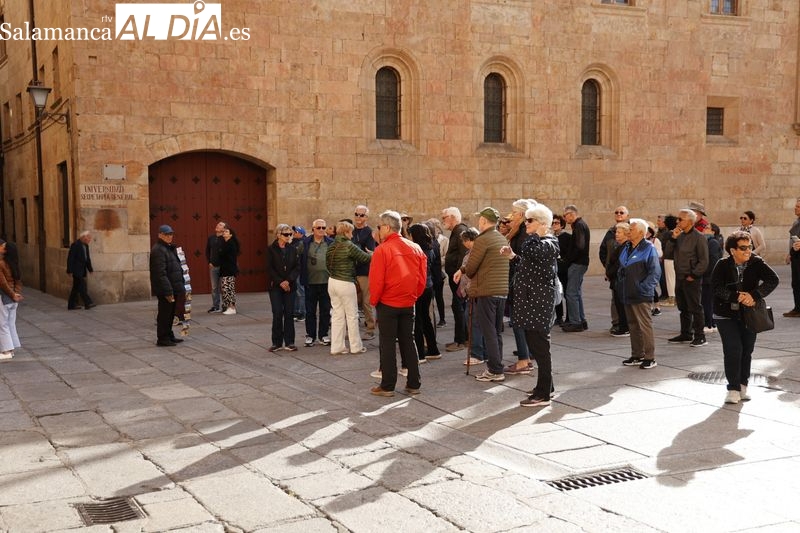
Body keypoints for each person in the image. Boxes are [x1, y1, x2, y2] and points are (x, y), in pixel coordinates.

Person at [500, 203, 559, 407]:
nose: (526, 224)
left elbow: (531, 250)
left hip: (538, 304)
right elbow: (527, 264)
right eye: (526, 220)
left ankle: (543, 394)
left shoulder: (548, 243)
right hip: (529, 302)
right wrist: (512, 257)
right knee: (537, 346)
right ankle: (546, 386)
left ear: (542, 223)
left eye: (530, 220)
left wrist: (537, 233)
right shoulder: (537, 243)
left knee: (541, 349)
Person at [712, 231, 779, 404]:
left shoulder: (756, 262)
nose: (748, 250)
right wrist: (737, 297)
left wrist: (754, 295)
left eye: (749, 247)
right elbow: (716, 288)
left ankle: (743, 385)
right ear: (732, 250)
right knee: (733, 349)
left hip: (750, 315)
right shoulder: (722, 264)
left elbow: (773, 279)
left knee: (747, 350)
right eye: (743, 248)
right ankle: (733, 389)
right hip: (725, 314)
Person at [369, 210, 426, 397]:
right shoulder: (415, 247)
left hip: (388, 302)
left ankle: (387, 385)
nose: (378, 230)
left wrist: (374, 301)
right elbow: (421, 280)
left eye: (379, 227)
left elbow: (377, 280)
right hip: (408, 301)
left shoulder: (382, 250)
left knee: (387, 343)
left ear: (386, 227)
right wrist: (413, 296)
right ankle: (414, 383)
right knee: (408, 341)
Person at [454, 207, 509, 382]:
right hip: (501, 291)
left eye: (480, 219)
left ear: (484, 221)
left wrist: (464, 270)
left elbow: (471, 268)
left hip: (486, 291)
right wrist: (462, 269)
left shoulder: (482, 239)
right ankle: (497, 365)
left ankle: (495, 370)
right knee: (496, 331)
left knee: (489, 332)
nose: (478, 222)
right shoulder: (501, 238)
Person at [618, 219, 661, 369]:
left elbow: (655, 272)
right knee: (633, 325)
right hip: (627, 291)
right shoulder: (627, 247)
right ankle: (637, 354)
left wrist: (643, 288)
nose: (629, 232)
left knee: (644, 325)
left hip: (641, 293)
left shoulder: (648, 248)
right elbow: (622, 266)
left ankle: (650, 357)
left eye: (632, 229)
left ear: (641, 233)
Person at [327, 220, 372, 355]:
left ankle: (337, 347)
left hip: (332, 282)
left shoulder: (331, 245)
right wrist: (372, 254)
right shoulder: (348, 245)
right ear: (346, 232)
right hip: (345, 282)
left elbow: (327, 265)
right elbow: (365, 258)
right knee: (352, 315)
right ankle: (356, 346)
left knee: (337, 315)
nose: (352, 235)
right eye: (351, 232)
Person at [668, 208, 710, 347]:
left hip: (692, 278)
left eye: (681, 219)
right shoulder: (678, 235)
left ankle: (700, 336)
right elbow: (667, 254)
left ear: (690, 221)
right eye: (677, 219)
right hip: (679, 276)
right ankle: (685, 333)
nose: (677, 221)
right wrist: (673, 238)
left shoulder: (699, 237)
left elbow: (704, 260)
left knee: (695, 307)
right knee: (683, 307)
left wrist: (694, 275)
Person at [504, 199, 536, 375]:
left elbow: (524, 261)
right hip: (519, 281)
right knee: (519, 321)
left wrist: (511, 256)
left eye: (515, 213)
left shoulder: (525, 233)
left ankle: (524, 360)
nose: (511, 217)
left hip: (522, 283)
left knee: (519, 321)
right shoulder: (519, 231)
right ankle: (526, 357)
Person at [149, 225, 187, 347]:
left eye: (171, 234)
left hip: (173, 286)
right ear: (160, 235)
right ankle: (162, 338)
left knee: (170, 313)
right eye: (166, 234)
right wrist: (167, 291)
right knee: (164, 314)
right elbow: (160, 273)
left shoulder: (168, 248)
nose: (169, 236)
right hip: (166, 289)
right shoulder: (158, 250)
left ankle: (169, 334)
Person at [408, 223, 441, 363]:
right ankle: (433, 350)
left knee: (418, 320)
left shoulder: (416, 250)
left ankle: (420, 353)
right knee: (425, 318)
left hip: (419, 286)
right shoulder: (431, 248)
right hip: (429, 286)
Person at [267, 224, 300, 352]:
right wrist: (280, 282)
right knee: (277, 313)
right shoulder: (271, 249)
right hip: (275, 286)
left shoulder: (293, 249)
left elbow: (297, 267)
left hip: (290, 286)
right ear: (278, 235)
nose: (289, 236)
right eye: (286, 234)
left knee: (289, 313)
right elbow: (269, 268)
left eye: (290, 234)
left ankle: (290, 342)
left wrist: (288, 281)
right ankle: (276, 342)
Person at [301, 219, 333, 347]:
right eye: (318, 227)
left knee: (325, 310)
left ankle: (323, 335)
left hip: (327, 281)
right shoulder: (305, 242)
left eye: (323, 228)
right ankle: (310, 335)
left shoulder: (330, 243)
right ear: (313, 229)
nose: (321, 230)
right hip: (310, 282)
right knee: (310, 311)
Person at [442, 206, 469, 351]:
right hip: (456, 278)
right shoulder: (457, 231)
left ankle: (461, 340)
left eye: (444, 217)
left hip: (459, 279)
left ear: (452, 217)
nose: (443, 221)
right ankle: (460, 338)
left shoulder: (460, 231)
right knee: (457, 307)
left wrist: (460, 273)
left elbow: (464, 255)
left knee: (459, 307)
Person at [457, 228, 485, 366]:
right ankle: (482, 352)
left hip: (474, 292)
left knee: (474, 324)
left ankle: (477, 354)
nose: (463, 243)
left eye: (464, 241)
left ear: (468, 240)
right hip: (476, 291)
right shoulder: (476, 251)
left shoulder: (474, 253)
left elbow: (470, 271)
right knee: (477, 323)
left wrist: (466, 289)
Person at [599, 206, 629, 334]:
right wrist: (608, 268)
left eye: (622, 212)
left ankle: (626, 324)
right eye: (616, 212)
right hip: (613, 272)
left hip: (624, 273)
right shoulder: (610, 232)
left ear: (627, 215)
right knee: (615, 299)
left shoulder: (631, 230)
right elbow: (603, 251)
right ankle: (617, 323)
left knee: (624, 299)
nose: (619, 214)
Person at [561, 204, 590, 332]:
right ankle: (581, 320)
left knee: (571, 293)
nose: (564, 219)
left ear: (571, 214)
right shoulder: (579, 225)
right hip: (580, 263)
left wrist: (568, 260)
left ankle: (575, 321)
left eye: (565, 216)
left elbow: (580, 246)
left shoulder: (579, 225)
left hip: (577, 263)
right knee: (576, 293)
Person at [352, 205, 377, 339]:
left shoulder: (369, 232)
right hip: (352, 271)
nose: (358, 217)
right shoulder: (352, 230)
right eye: (356, 214)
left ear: (366, 217)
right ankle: (353, 328)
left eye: (361, 215)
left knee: (367, 302)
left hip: (364, 271)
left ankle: (370, 328)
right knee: (354, 300)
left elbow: (369, 252)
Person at [605, 222, 630, 337]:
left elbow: (619, 264)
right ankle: (622, 326)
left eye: (619, 232)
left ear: (626, 234)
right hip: (616, 280)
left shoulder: (625, 247)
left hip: (620, 280)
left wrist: (609, 273)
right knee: (618, 304)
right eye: (616, 232)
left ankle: (625, 328)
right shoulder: (621, 246)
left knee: (621, 305)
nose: (616, 234)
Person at [0, 239, 23, 360]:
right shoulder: (15, 264)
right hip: (14, 299)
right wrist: (16, 293)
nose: (2, 248)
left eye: (4, 247)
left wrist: (12, 294)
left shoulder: (1, 263)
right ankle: (12, 349)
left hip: (5, 297)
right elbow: (18, 281)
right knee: (10, 324)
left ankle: (6, 351)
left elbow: (3, 283)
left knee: (3, 324)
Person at [66, 230, 96, 310]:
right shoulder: (75, 245)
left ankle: (71, 305)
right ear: (83, 237)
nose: (90, 239)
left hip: (82, 270)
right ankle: (88, 302)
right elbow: (70, 258)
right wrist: (69, 270)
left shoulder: (86, 246)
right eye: (88, 237)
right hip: (76, 270)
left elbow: (87, 259)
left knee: (76, 288)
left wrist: (90, 269)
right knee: (82, 286)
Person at [701, 223, 723, 332]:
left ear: (713, 231)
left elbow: (713, 261)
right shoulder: (709, 242)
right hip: (708, 277)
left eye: (707, 228)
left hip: (709, 278)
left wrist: (703, 272)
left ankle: (709, 324)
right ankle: (712, 323)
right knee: (707, 301)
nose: (704, 230)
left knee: (707, 301)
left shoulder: (713, 243)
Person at [552, 214, 571, 326]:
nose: (554, 225)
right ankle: (558, 317)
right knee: (557, 292)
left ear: (562, 225)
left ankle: (569, 317)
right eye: (553, 223)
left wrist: (564, 262)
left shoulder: (567, 237)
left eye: (557, 223)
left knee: (567, 294)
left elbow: (569, 253)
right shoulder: (551, 237)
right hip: (555, 269)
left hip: (565, 269)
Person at [219, 226, 241, 315]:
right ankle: (228, 306)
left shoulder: (231, 244)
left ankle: (232, 307)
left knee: (229, 288)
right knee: (225, 288)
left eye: (226, 231)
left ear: (231, 234)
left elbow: (227, 257)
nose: (224, 232)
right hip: (225, 269)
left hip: (229, 270)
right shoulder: (225, 243)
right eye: (223, 231)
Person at [205, 221, 226, 313]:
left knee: (224, 287)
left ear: (224, 229)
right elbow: (207, 251)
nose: (218, 225)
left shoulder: (225, 238)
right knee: (214, 287)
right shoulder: (211, 238)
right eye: (218, 224)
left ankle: (226, 305)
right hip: (213, 267)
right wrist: (209, 262)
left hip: (224, 266)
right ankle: (215, 306)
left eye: (221, 225)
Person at [786, 197, 800, 317]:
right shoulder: (796, 222)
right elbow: (792, 239)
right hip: (796, 257)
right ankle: (797, 308)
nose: (795, 208)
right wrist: (789, 253)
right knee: (795, 283)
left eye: (798, 207)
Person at [291, 226, 307, 322]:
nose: (293, 233)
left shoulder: (302, 243)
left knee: (301, 292)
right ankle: (296, 311)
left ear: (300, 234)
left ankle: (302, 312)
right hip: (295, 271)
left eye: (295, 231)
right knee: (296, 292)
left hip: (300, 270)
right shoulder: (294, 242)